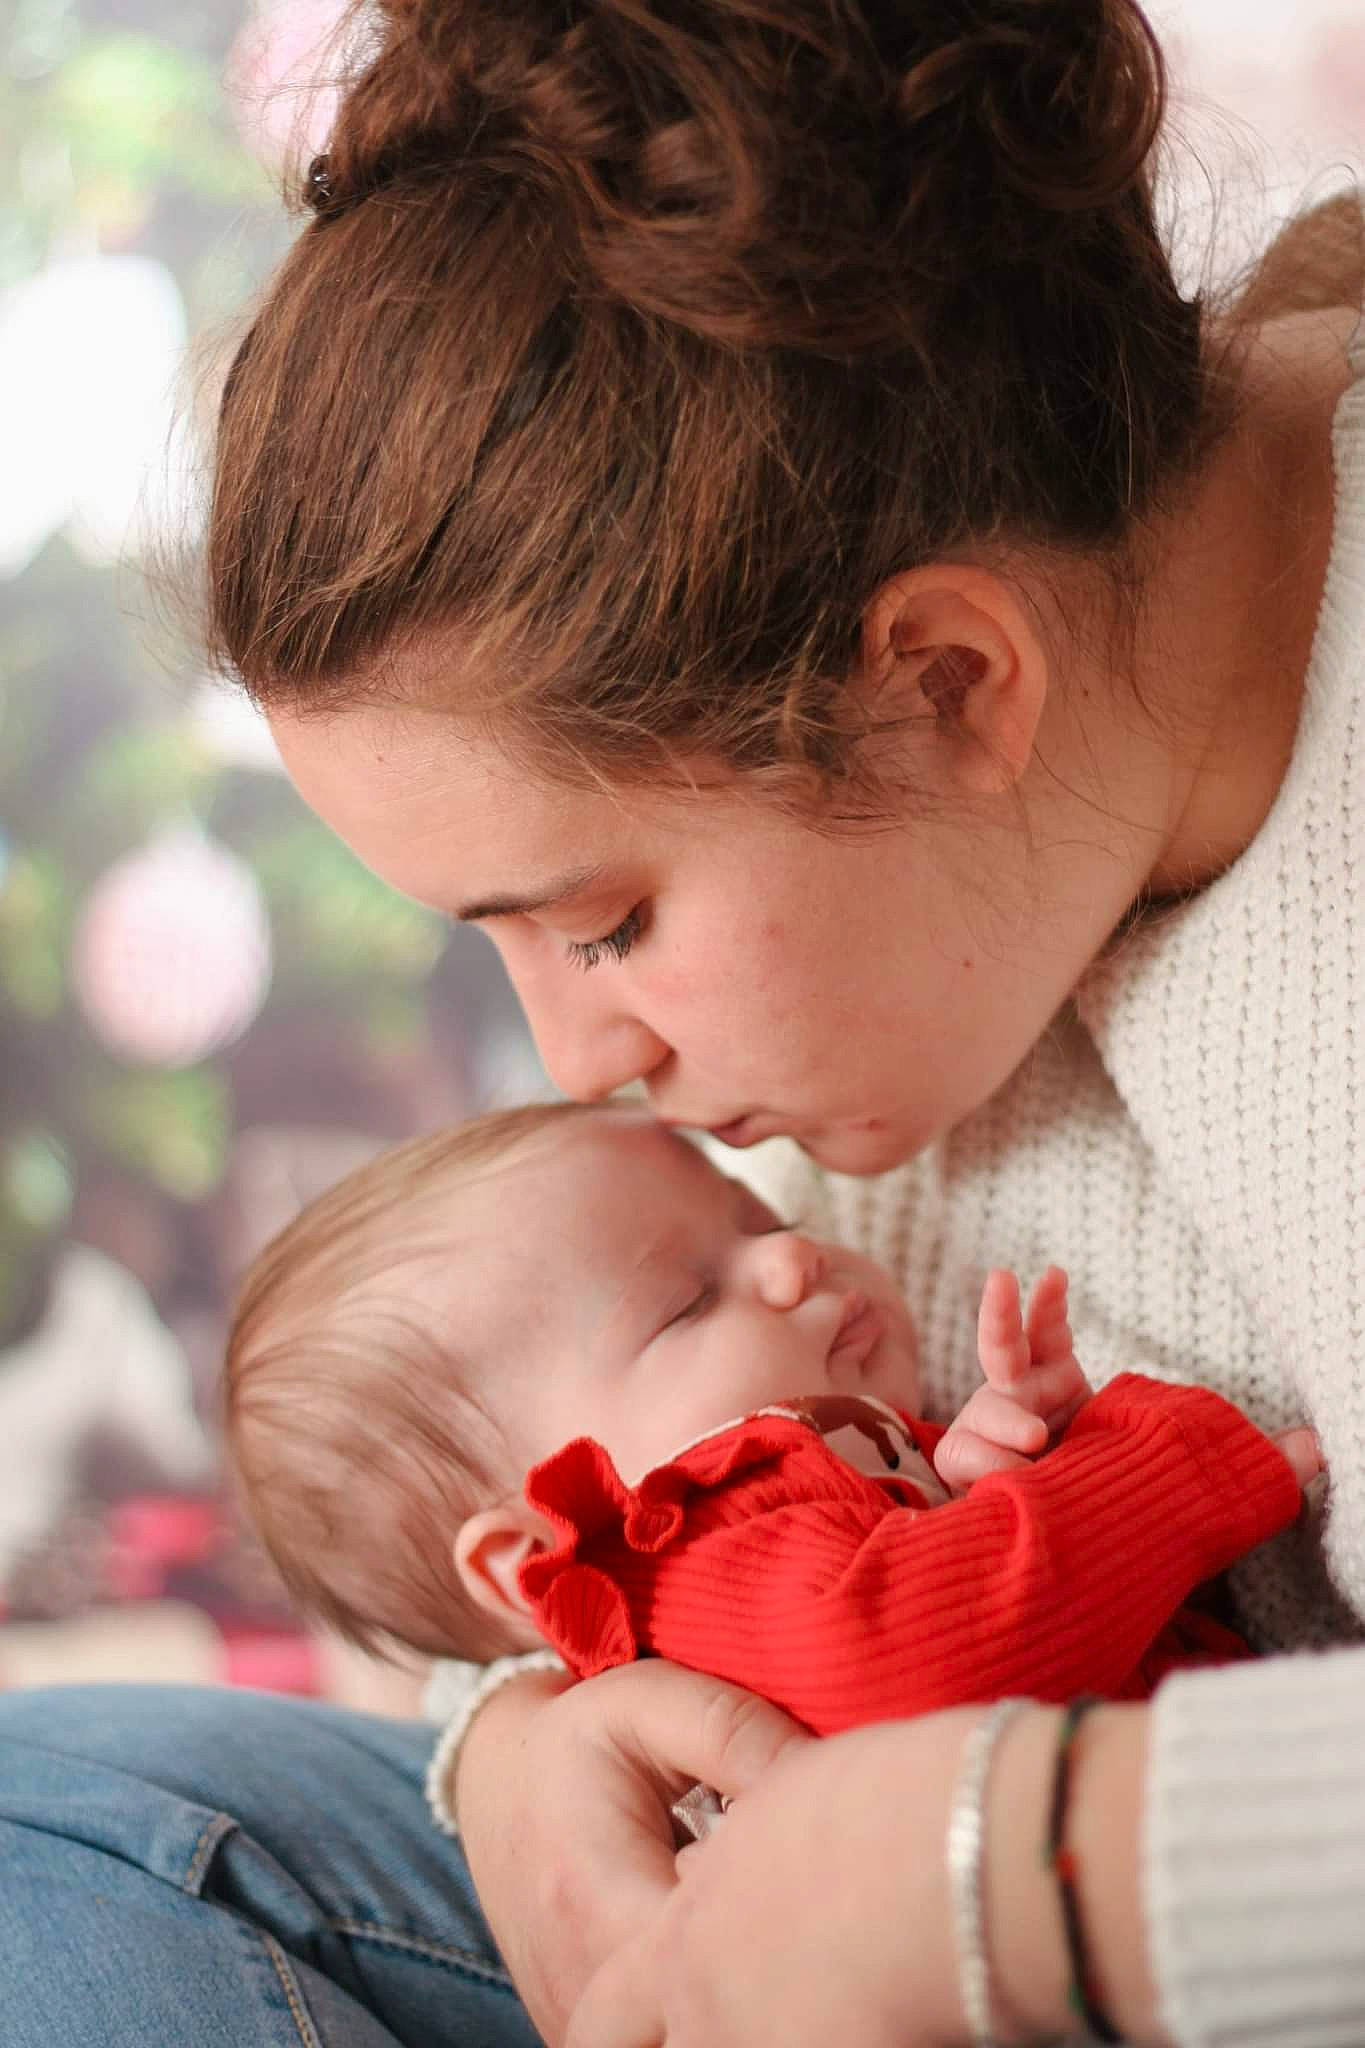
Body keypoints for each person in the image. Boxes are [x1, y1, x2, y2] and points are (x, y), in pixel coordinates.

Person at [1, 0, 1363, 2040]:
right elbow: (629, 1465)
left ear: (945, 685)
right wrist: (533, 1748)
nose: (575, 1062)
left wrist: (1019, 1871)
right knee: (53, 1820)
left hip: (1158, 1911)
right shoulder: (991, 846)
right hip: (864, 1853)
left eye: (607, 919)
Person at [223, 1098, 1319, 1733]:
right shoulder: (687, 1550)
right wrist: (1163, 1468)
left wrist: (982, 1481)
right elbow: (932, 1647)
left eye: (760, 1213)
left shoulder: (773, 1530)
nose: (792, 1255)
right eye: (689, 1298)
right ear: (541, 1553)